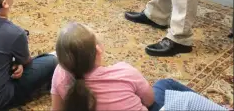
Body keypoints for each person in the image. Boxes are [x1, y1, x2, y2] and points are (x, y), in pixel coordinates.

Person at [51, 22, 228, 111]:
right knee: (169, 87)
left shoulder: (59, 75)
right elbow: (150, 101)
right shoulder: (124, 72)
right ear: (98, 51)